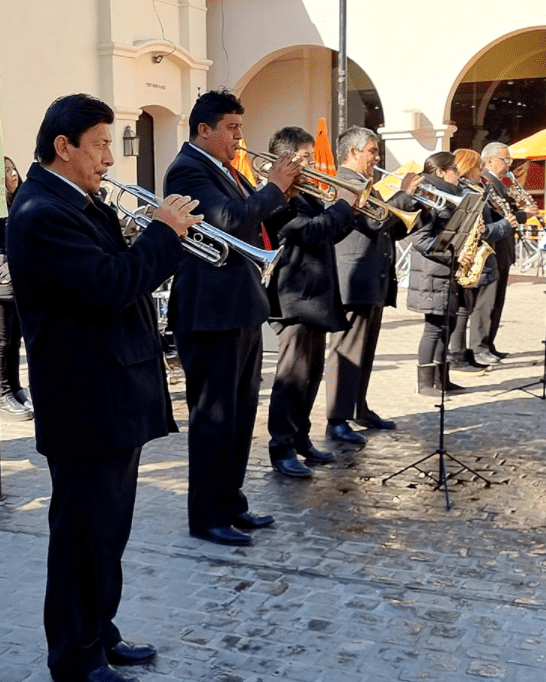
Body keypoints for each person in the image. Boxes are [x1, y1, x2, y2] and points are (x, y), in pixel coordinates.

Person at [7, 93, 199, 682]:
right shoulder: (41, 213)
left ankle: (99, 632)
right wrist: (164, 234)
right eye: (99, 146)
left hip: (114, 394)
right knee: (82, 539)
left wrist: (153, 238)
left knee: (106, 534)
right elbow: (112, 285)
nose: (109, 160)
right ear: (63, 147)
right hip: (86, 401)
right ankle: (75, 657)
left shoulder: (77, 201)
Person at [163, 89, 299, 547]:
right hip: (210, 312)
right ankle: (206, 514)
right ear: (205, 130)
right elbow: (225, 219)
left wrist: (284, 197)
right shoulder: (187, 169)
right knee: (213, 418)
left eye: (241, 128)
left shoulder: (223, 169)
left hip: (240, 306)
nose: (241, 138)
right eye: (233, 129)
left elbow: (253, 221)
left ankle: (231, 503)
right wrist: (272, 189)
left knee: (241, 415)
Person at [264, 127, 357, 478]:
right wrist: (343, 207)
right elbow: (311, 232)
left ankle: (300, 438)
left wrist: (352, 211)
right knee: (291, 379)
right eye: (305, 156)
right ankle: (281, 447)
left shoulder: (305, 195)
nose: (312, 163)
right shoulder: (275, 199)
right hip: (293, 300)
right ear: (285, 158)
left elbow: (330, 233)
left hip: (316, 298)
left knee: (311, 377)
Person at [323, 127, 421, 445]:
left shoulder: (368, 186)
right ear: (352, 152)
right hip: (353, 280)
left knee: (364, 350)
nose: (377, 158)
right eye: (372, 151)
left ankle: (358, 408)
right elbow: (373, 221)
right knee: (347, 351)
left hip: (372, 280)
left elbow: (386, 229)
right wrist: (404, 194)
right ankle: (336, 419)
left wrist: (417, 214)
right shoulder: (346, 183)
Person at [405, 152, 474, 396]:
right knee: (434, 327)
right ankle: (424, 384)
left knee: (448, 324)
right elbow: (420, 239)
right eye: (455, 168)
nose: (459, 173)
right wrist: (453, 254)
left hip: (448, 270)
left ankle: (442, 380)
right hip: (432, 271)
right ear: (441, 172)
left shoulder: (453, 195)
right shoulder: (427, 195)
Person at [447, 148, 515, 371]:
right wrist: (506, 225)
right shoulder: (467, 192)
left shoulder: (478, 189)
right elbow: (480, 230)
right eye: (478, 166)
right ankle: (468, 351)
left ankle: (470, 351)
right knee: (471, 308)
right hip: (474, 257)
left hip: (484, 257)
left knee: (475, 307)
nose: (482, 170)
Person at [478, 141, 534, 362]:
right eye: (505, 159)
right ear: (490, 160)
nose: (509, 164)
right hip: (493, 248)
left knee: (497, 301)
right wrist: (523, 215)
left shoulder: (500, 182)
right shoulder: (486, 183)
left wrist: (520, 205)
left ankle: (489, 343)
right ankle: (480, 345)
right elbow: (499, 217)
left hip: (504, 248)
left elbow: (507, 211)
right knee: (487, 303)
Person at [0, 156, 32, 419]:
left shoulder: (18, 201)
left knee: (15, 341)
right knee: (2, 342)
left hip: (19, 281)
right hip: (0, 283)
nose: (13, 174)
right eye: (6, 171)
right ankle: (2, 392)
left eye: (13, 168)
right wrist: (9, 271)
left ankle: (16, 388)